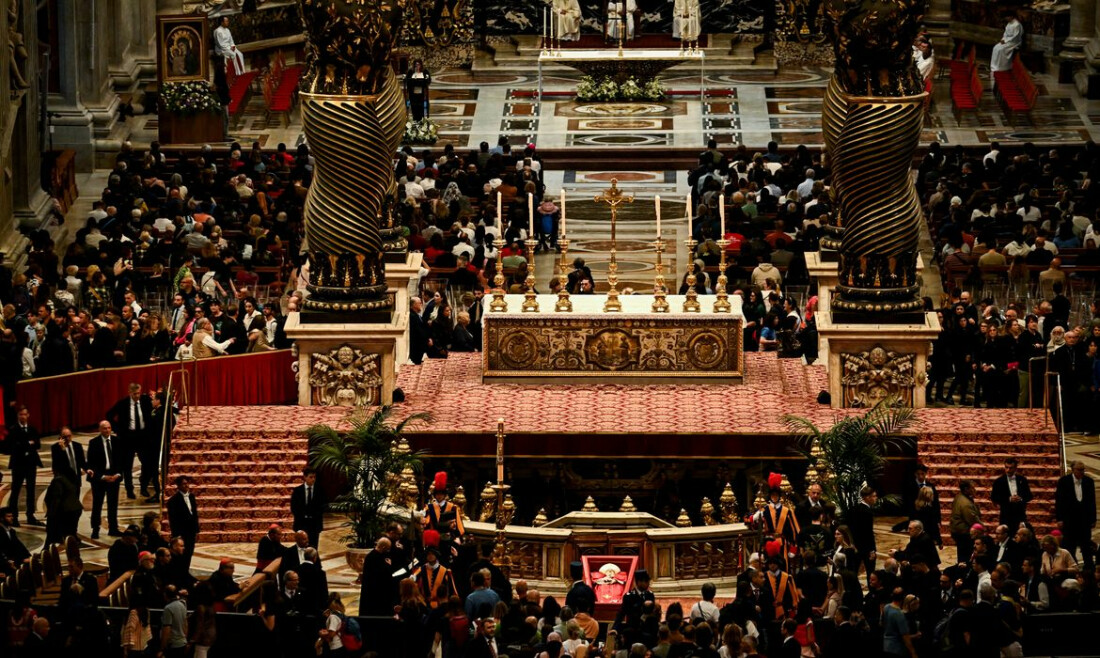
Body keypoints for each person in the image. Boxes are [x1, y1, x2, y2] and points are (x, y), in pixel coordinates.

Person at [106, 382, 153, 500]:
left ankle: (143, 487)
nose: (137, 396)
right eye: (135, 394)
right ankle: (129, 490)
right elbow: (109, 415)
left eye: (139, 393)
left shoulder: (145, 400)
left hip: (142, 437)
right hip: (128, 438)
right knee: (127, 467)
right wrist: (118, 430)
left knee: (147, 463)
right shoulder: (122, 403)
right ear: (129, 392)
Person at [1055, 460, 1097, 570]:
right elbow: (1059, 501)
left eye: (1083, 469)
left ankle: (1089, 570)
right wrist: (1059, 519)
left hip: (1084, 520)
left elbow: (1092, 501)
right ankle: (1071, 568)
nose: (1082, 472)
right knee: (1069, 546)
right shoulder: (1064, 481)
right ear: (1072, 470)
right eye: (1079, 470)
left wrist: (1093, 518)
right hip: (1069, 520)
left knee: (1086, 546)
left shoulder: (1089, 481)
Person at [6, 406, 43, 525]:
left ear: (28, 415)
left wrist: (24, 444)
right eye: (20, 414)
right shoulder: (13, 429)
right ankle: (14, 516)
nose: (23, 416)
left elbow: (37, 445)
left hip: (31, 463)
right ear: (18, 416)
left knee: (31, 490)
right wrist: (28, 443)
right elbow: (13, 446)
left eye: (25, 414)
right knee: (16, 490)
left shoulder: (32, 429)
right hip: (18, 464)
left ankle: (30, 515)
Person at [88, 420, 123, 539]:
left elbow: (120, 460)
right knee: (97, 505)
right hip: (100, 479)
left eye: (109, 428)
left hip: (114, 477)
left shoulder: (117, 441)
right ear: (99, 429)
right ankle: (95, 529)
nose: (107, 430)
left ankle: (113, 528)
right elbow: (91, 463)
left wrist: (117, 474)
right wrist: (103, 477)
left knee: (113, 505)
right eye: (104, 428)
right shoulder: (94, 443)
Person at [166, 476, 199, 573]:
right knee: (181, 555)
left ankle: (186, 571)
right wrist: (176, 535)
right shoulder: (173, 501)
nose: (187, 485)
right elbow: (173, 520)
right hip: (181, 533)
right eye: (184, 484)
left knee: (189, 552)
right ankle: (181, 572)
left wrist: (196, 530)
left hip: (191, 532)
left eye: (187, 483)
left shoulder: (192, 496)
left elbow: (194, 514)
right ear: (178, 486)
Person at [991, 457, 1033, 532]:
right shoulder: (999, 481)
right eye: (1006, 467)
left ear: (1015, 468)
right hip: (1006, 515)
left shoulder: (1022, 480)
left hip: (1020, 514)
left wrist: (1021, 498)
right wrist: (1009, 499)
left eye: (1011, 468)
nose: (1008, 470)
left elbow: (1029, 496)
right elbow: (994, 497)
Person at [291, 468, 325, 550]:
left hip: (314, 524)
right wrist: (302, 516)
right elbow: (294, 507)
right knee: (301, 548)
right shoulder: (297, 491)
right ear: (305, 477)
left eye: (314, 477)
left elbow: (323, 506)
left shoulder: (320, 490)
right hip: (301, 523)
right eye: (311, 477)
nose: (313, 479)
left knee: (313, 547)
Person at [950, 479, 981, 564]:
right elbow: (973, 521)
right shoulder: (965, 504)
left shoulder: (959, 496)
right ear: (966, 489)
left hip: (958, 531)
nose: (975, 490)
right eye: (972, 488)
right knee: (966, 558)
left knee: (962, 555)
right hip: (964, 534)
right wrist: (982, 528)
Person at [160, 585, 189, 658]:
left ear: (165, 594)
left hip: (173, 645)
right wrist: (185, 639)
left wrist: (162, 648)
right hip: (182, 642)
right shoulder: (182, 605)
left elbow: (167, 629)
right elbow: (185, 624)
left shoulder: (168, 608)